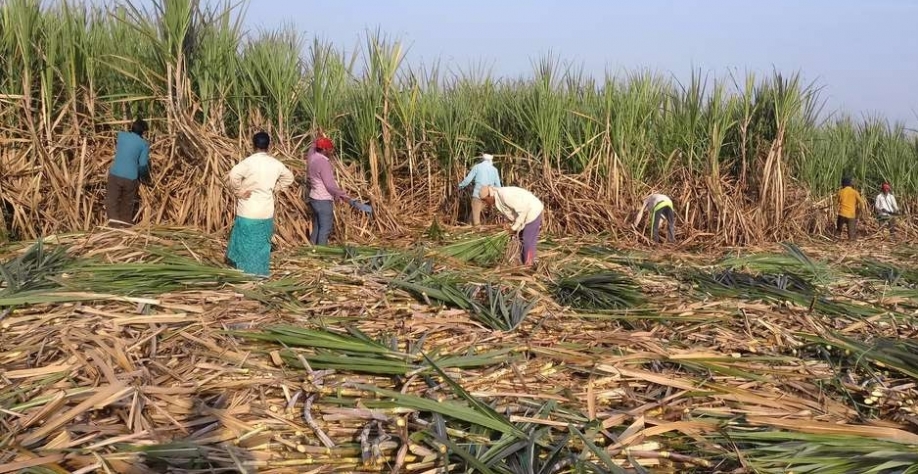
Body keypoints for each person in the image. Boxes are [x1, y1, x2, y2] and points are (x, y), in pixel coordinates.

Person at [226, 131, 294, 277]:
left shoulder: (249, 162)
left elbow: (233, 175)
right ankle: (259, 274)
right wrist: (275, 189)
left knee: (246, 244)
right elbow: (289, 178)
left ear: (253, 145)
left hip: (248, 209)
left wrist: (239, 191)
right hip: (265, 210)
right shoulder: (275, 164)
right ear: (268, 146)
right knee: (262, 245)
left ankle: (244, 275)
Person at [305, 136, 357, 245]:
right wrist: (342, 194)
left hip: (314, 198)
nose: (331, 151)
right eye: (329, 149)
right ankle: (322, 253)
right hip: (323, 199)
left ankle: (312, 249)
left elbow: (312, 148)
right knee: (325, 228)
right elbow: (329, 185)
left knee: (318, 226)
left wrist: (317, 140)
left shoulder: (312, 157)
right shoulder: (323, 162)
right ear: (324, 150)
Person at [479, 185, 543, 266]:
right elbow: (511, 212)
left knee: (527, 240)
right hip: (525, 214)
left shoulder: (505, 195)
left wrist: (513, 228)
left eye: (485, 200)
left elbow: (522, 211)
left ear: (489, 196)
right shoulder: (497, 198)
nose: (485, 203)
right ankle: (523, 262)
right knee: (521, 239)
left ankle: (528, 265)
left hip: (532, 211)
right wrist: (509, 224)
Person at [106, 118, 150, 228]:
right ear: (143, 132)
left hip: (115, 175)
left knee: (112, 202)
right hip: (131, 178)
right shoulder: (144, 144)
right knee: (127, 205)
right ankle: (126, 229)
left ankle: (115, 228)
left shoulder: (121, 136)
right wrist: (145, 177)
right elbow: (143, 165)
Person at [458, 154, 502, 225]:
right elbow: (498, 185)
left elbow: (468, 180)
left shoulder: (477, 167)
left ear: (483, 159)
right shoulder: (494, 170)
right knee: (474, 213)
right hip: (488, 196)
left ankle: (477, 230)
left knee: (476, 217)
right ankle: (468, 228)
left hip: (478, 194)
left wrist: (460, 186)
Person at [836, 176, 867, 241]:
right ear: (850, 184)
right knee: (851, 232)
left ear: (843, 184)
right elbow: (861, 203)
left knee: (838, 230)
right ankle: (851, 244)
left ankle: (836, 240)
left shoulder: (840, 192)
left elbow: (837, 202)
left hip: (842, 213)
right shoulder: (855, 192)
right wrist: (860, 210)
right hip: (851, 215)